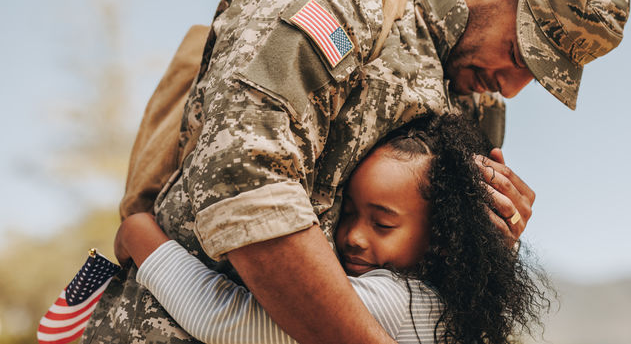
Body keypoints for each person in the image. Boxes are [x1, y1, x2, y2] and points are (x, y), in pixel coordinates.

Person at [83, 0, 629, 342]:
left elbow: (434, 287)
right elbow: (247, 192)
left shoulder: (477, 103)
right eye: (518, 55)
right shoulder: (333, 5)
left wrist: (492, 242)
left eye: (534, 77)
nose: (512, 87)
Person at [116, 114, 550, 344]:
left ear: (442, 238)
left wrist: (140, 234)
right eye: (348, 214)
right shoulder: (455, 308)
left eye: (382, 223)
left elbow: (225, 320)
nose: (354, 237)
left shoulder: (394, 300)